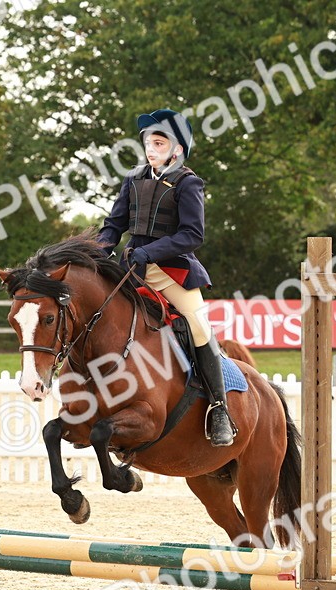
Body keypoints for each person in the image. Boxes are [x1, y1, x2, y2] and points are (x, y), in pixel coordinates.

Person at [97, 108, 236, 446]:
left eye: (159, 143)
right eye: (148, 142)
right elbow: (114, 226)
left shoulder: (188, 183)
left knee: (199, 325)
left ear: (176, 149)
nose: (150, 148)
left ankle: (219, 408)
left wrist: (151, 251)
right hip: (132, 267)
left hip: (171, 270)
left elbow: (193, 234)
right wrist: (101, 250)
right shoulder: (133, 179)